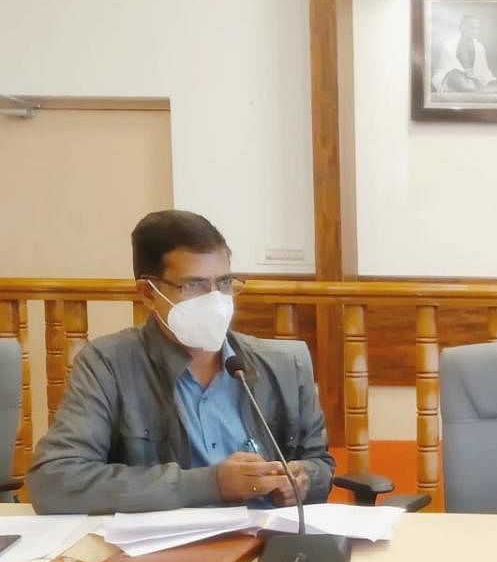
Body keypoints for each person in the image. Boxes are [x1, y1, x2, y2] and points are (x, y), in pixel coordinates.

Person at [28, 210, 334, 514]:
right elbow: (55, 482)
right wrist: (209, 484)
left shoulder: (284, 365)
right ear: (148, 293)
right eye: (194, 285)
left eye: (224, 283)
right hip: (164, 554)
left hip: (270, 544)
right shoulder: (107, 365)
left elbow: (320, 465)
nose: (215, 300)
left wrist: (304, 479)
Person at [431, 14, 497, 94]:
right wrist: (464, 75)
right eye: (472, 28)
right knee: (454, 75)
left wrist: (479, 78)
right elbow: (447, 69)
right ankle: (484, 91)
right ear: (461, 27)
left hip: (474, 81)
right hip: (456, 78)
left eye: (477, 28)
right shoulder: (448, 44)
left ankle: (477, 90)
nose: (476, 32)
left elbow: (484, 70)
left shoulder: (480, 47)